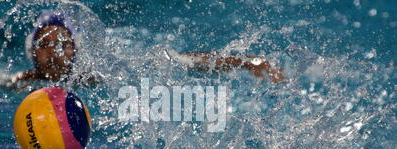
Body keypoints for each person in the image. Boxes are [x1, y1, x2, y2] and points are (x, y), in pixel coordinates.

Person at [15, 11, 284, 84]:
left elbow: (187, 61)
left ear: (76, 50)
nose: (55, 53)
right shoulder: (24, 81)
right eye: (45, 44)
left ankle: (247, 60)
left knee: (174, 62)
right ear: (32, 51)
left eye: (64, 44)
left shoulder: (95, 75)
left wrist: (247, 63)